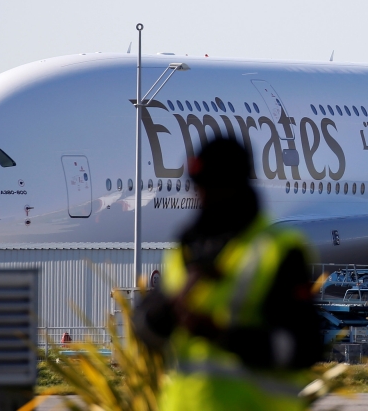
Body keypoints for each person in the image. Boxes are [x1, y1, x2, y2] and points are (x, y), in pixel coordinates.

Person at [135, 137, 323, 410]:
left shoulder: (277, 251)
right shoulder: (186, 250)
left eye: (208, 183)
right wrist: (171, 309)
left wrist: (221, 335)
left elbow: (304, 348)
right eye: (195, 183)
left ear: (234, 184)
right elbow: (144, 332)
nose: (198, 193)